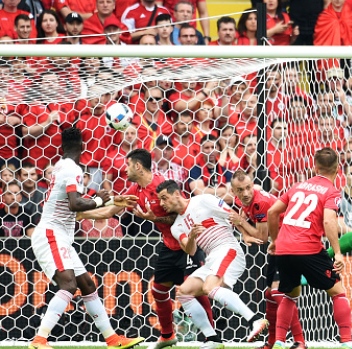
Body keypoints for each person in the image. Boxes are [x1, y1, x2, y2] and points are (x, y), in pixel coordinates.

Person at [76, 149, 214, 349]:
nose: (125, 169)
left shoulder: (161, 186)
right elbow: (110, 210)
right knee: (159, 291)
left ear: (138, 166)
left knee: (195, 291)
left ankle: (212, 339)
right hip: (169, 245)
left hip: (187, 241)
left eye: (128, 165)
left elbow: (181, 215)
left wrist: (153, 219)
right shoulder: (135, 190)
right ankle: (167, 336)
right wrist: (83, 215)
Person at [28, 127, 144, 349]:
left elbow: (77, 208)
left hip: (59, 234)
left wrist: (111, 202)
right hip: (51, 233)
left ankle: (112, 339)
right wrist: (101, 201)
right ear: (83, 147)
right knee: (69, 285)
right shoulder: (73, 169)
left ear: (61, 148)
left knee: (88, 285)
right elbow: (76, 204)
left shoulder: (61, 166)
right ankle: (39, 340)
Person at [155, 180, 269, 345]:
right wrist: (193, 235)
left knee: (209, 288)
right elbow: (191, 250)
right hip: (211, 258)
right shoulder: (177, 226)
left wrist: (245, 234)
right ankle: (213, 339)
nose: (161, 203)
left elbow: (231, 215)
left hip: (227, 248)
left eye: (164, 198)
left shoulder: (203, 200)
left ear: (176, 194)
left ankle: (254, 320)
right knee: (184, 292)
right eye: (159, 200)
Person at [266, 147, 352, 349]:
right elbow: (328, 221)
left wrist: (274, 240)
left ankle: (280, 341)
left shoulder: (297, 186)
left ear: (315, 166)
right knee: (337, 291)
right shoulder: (332, 191)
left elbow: (272, 212)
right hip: (308, 249)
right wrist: (338, 253)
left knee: (290, 294)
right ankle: (347, 342)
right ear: (337, 169)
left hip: (284, 249)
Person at [229, 170, 306, 349]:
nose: (246, 193)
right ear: (234, 192)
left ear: (253, 185)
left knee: (278, 292)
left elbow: (261, 237)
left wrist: (241, 224)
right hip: (278, 242)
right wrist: (244, 234)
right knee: (270, 295)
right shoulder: (241, 201)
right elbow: (239, 220)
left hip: (289, 240)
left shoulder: (261, 202)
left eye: (248, 188)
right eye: (240, 190)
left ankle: (299, 341)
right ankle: (271, 343)